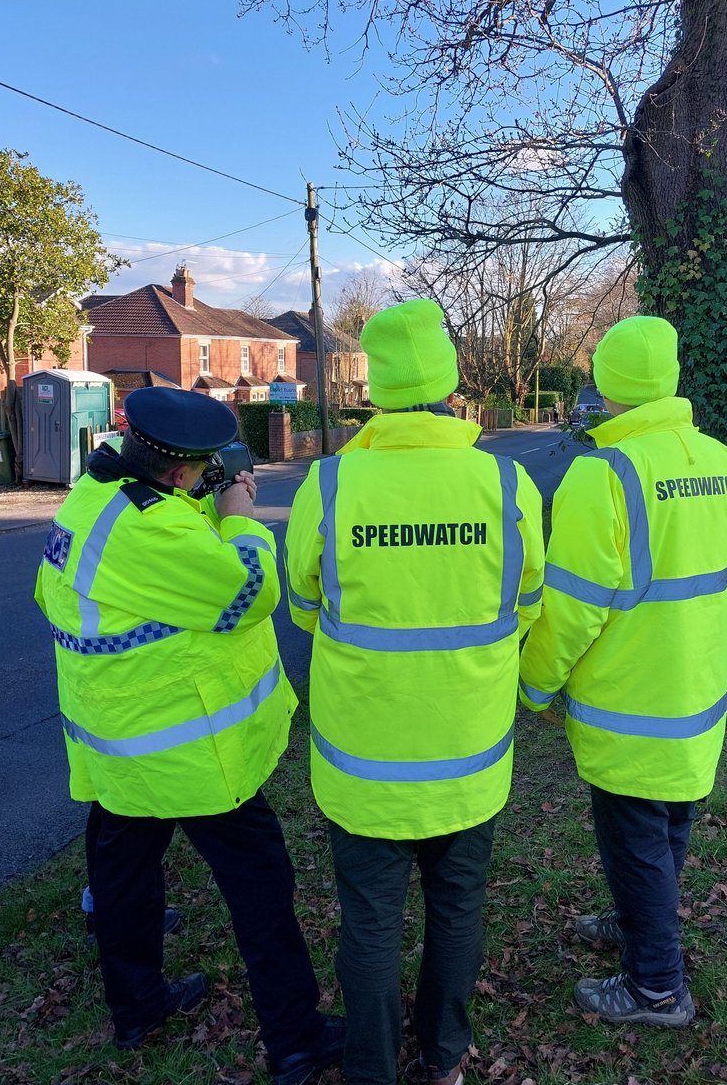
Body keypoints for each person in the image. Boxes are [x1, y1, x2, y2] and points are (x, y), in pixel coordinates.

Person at [35, 386, 344, 1081]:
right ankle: (296, 1040)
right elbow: (250, 589)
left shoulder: (94, 496)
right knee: (262, 888)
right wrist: (238, 512)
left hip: (118, 748)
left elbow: (152, 555)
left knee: (123, 882)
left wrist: (202, 498)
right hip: (191, 753)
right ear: (177, 471)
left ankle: (137, 1008)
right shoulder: (153, 532)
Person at [284, 299, 545, 1085]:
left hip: (362, 761)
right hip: (468, 754)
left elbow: (302, 605)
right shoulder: (505, 484)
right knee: (458, 910)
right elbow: (526, 604)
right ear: (449, 384)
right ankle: (444, 1056)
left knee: (368, 924)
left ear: (379, 390)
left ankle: (372, 1069)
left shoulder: (329, 486)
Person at [519, 316, 727, 1029]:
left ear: (606, 387)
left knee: (635, 839)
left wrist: (534, 685)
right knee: (667, 829)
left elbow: (570, 611)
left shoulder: (605, 475)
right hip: (698, 695)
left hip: (627, 709)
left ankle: (656, 986)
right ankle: (638, 920)